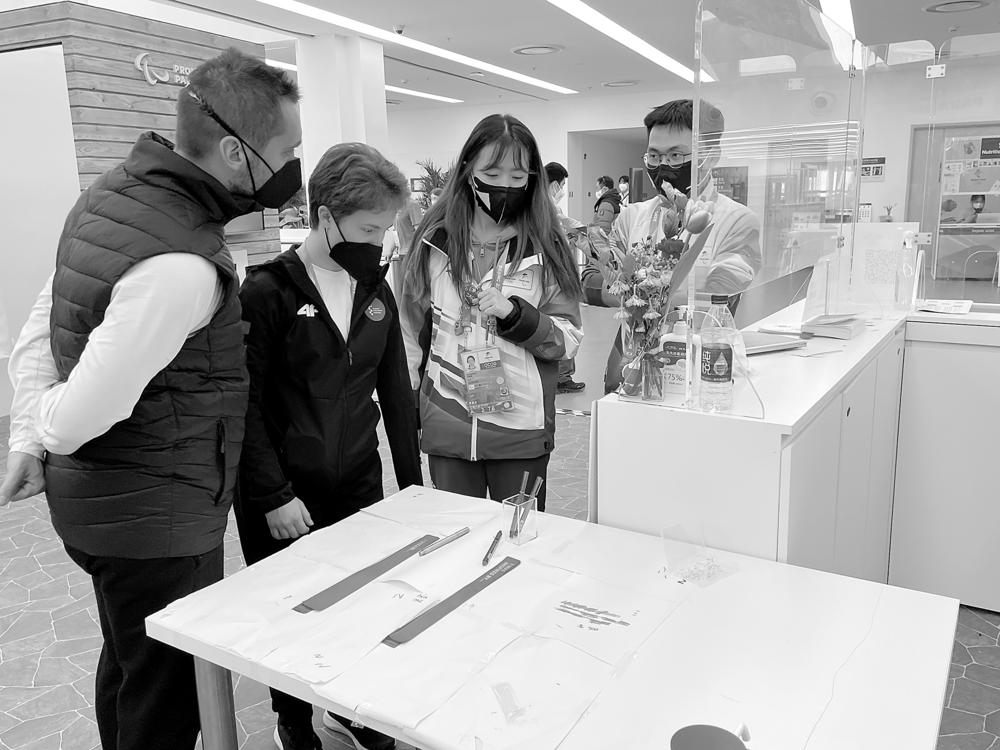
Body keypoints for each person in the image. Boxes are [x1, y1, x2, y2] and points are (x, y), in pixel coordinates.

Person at [0, 49, 302, 750]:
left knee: (129, 664)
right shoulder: (179, 265)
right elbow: (76, 419)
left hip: (107, 507)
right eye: (287, 150)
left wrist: (25, 436)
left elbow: (40, 325)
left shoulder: (113, 195)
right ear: (236, 152)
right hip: (157, 516)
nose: (293, 167)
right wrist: (42, 432)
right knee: (165, 698)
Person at [236, 143, 421, 750]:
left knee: (364, 598)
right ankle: (293, 718)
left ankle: (355, 710)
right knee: (290, 608)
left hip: (356, 476)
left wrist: (412, 487)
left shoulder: (374, 289)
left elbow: (396, 394)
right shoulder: (267, 292)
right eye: (368, 230)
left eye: (385, 230)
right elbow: (245, 406)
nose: (378, 243)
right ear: (325, 217)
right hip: (286, 489)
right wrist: (271, 495)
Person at [401, 114, 583, 510]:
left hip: (520, 433)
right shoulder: (433, 243)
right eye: (492, 173)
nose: (505, 186)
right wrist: (410, 406)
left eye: (518, 177)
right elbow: (408, 334)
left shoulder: (546, 248)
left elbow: (568, 340)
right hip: (447, 424)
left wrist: (517, 317)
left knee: (519, 539)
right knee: (457, 537)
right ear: (468, 170)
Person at [598, 99, 762, 392]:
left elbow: (719, 297)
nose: (663, 166)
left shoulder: (736, 220)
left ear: (711, 156)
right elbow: (609, 289)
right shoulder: (631, 216)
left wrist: (644, 290)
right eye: (654, 156)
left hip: (700, 363)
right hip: (631, 357)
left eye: (675, 155)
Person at [545, 161, 585, 393]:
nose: (562, 191)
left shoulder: (540, 208)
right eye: (561, 186)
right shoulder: (549, 211)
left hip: (551, 278)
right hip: (558, 277)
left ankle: (559, 376)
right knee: (564, 324)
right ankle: (561, 377)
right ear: (554, 185)